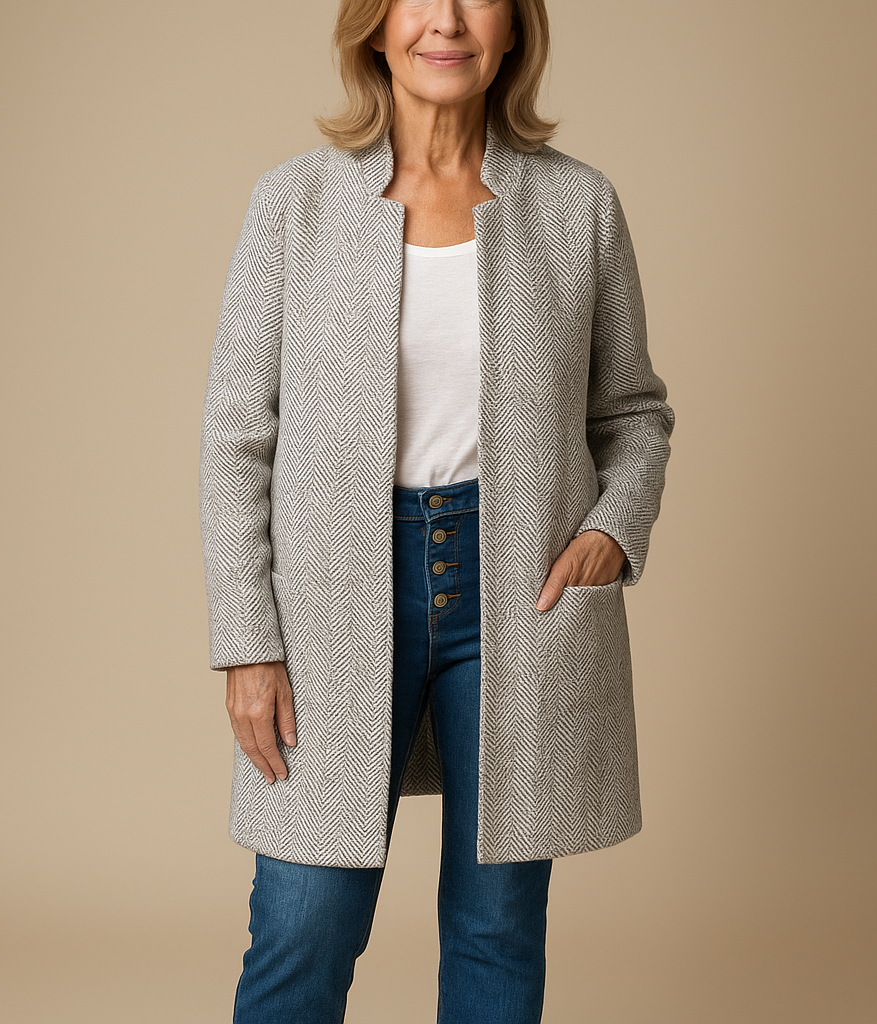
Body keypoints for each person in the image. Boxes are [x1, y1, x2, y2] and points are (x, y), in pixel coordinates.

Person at [198, 0, 675, 1021]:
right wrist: (246, 640)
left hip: (519, 591)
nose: (446, 21)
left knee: (497, 926)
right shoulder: (294, 203)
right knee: (303, 921)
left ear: (513, 28)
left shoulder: (577, 206)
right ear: (375, 27)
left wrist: (610, 531)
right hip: (331, 598)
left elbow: (633, 414)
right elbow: (237, 437)